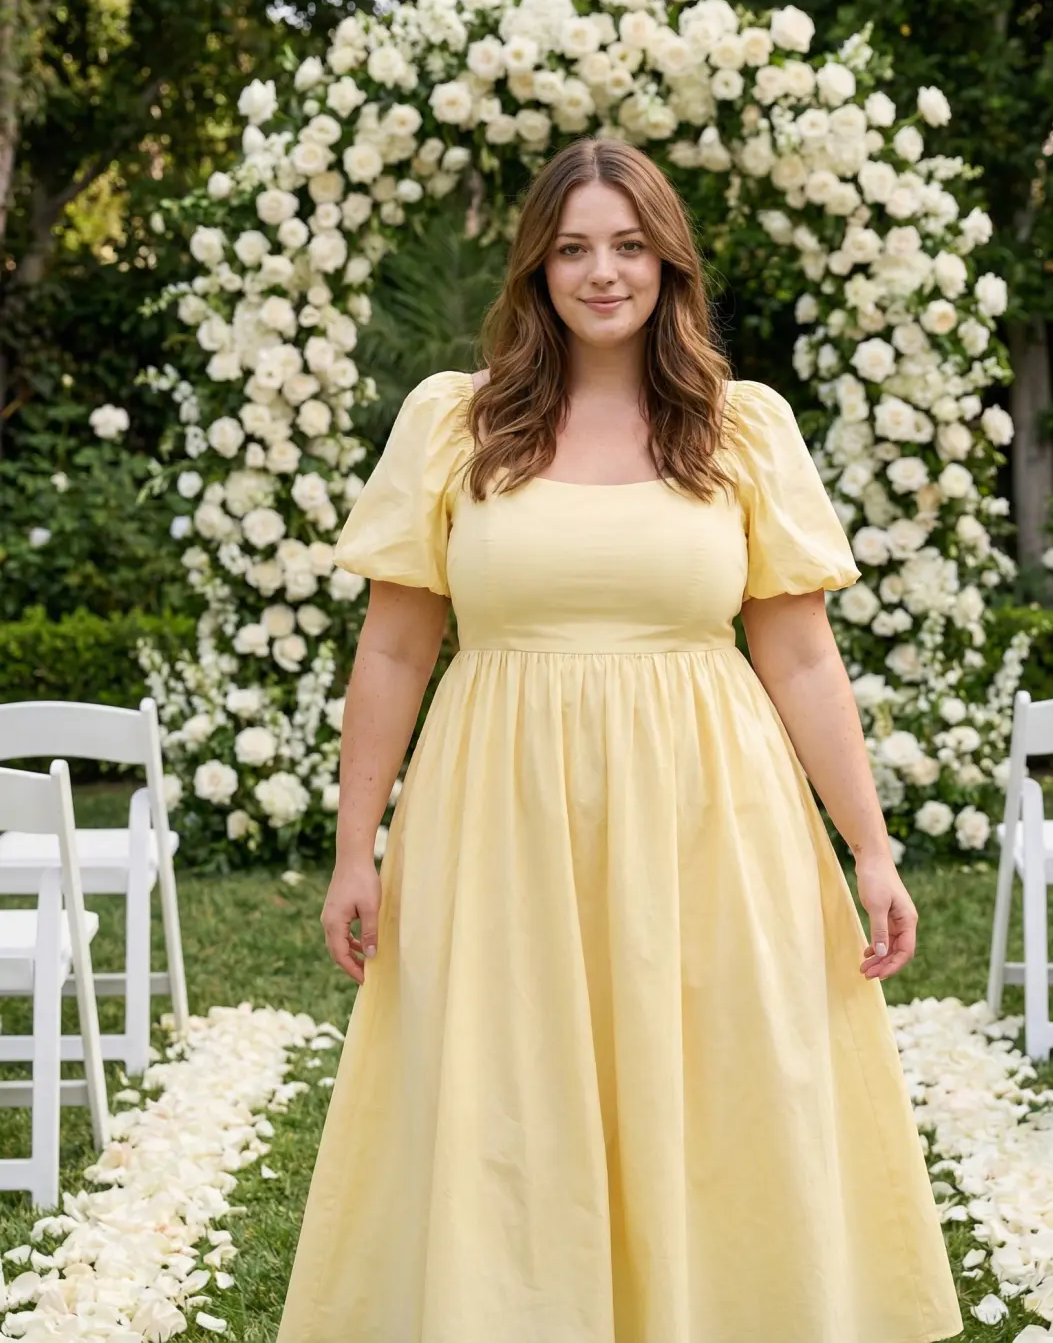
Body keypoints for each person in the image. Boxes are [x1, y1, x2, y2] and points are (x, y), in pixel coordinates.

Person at [275, 136, 963, 1343]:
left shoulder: (740, 428)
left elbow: (800, 654)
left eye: (631, 245)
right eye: (576, 248)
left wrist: (873, 845)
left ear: (669, 261)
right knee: (505, 1096)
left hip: (709, 816)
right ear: (538, 268)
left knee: (713, 1090)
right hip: (500, 820)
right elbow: (391, 650)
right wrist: (353, 849)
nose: (605, 272)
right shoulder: (457, 421)